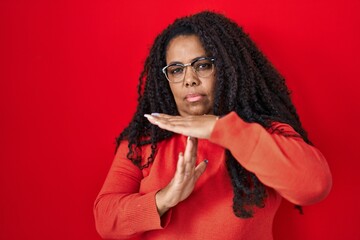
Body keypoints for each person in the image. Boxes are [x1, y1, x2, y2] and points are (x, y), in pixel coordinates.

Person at [93, 11, 332, 240]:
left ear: (228, 69)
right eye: (176, 70)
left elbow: (315, 186)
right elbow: (105, 220)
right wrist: (165, 198)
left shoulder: (260, 133)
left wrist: (220, 128)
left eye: (203, 65)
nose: (189, 79)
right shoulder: (146, 141)